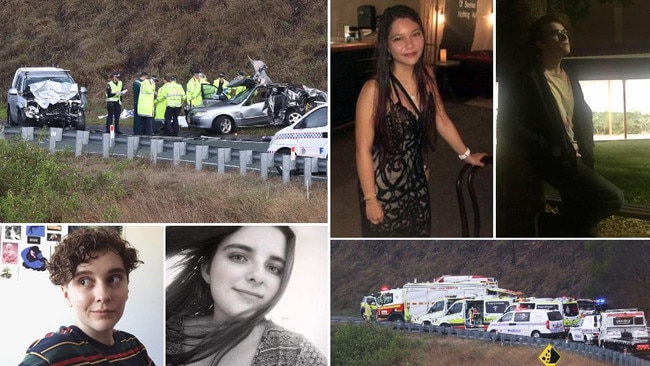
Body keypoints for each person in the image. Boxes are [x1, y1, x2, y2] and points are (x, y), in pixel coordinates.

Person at [356, 5, 486, 238]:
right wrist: (370, 198)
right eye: (399, 38)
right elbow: (363, 149)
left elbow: (441, 119)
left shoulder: (426, 76)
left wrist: (466, 155)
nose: (410, 44)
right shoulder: (374, 90)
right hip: (383, 188)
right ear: (387, 45)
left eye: (415, 34)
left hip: (417, 182)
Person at [498, 13, 623, 237]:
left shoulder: (569, 77)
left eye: (565, 32)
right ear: (540, 43)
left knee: (587, 230)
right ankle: (547, 226)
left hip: (578, 156)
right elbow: (510, 123)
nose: (564, 36)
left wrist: (587, 148)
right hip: (556, 159)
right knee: (613, 197)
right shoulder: (529, 79)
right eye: (556, 33)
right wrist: (546, 146)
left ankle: (557, 237)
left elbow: (580, 117)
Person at [166, 226, 327, 366]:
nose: (257, 276)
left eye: (273, 268)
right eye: (239, 257)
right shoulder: (167, 334)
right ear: (207, 269)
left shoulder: (300, 356)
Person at [19, 228, 154, 365]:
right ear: (66, 294)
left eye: (113, 279)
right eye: (84, 281)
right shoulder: (50, 355)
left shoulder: (135, 347)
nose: (103, 295)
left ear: (127, 287)